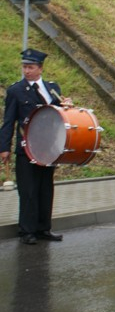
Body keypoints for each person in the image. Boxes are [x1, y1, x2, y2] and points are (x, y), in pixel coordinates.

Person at [0, 49, 71, 245]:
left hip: (49, 148)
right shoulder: (16, 91)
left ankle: (43, 228)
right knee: (28, 191)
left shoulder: (52, 88)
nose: (26, 71)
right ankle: (27, 231)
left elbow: (59, 115)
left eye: (30, 67)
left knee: (45, 189)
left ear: (40, 68)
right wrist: (4, 147)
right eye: (24, 67)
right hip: (27, 148)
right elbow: (8, 121)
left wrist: (67, 105)